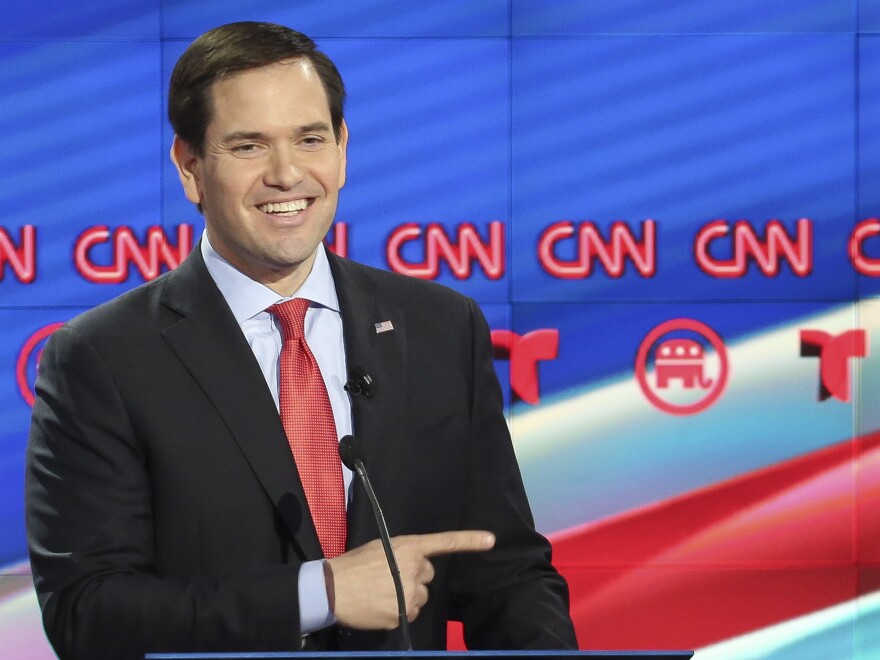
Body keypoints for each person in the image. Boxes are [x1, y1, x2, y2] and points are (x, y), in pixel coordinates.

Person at [25, 21, 577, 660]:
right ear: (190, 167)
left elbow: (505, 572)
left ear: (342, 150)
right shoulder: (104, 358)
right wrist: (319, 592)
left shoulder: (439, 328)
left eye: (310, 139)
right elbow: (87, 614)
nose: (287, 174)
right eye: (248, 146)